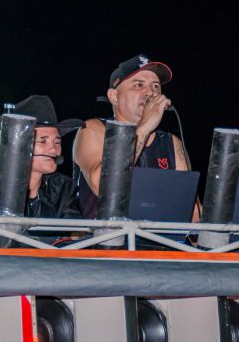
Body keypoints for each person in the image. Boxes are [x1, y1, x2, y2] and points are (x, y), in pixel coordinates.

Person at [73, 54, 197, 220]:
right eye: (139, 85)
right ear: (114, 96)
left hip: (157, 236)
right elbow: (104, 187)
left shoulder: (171, 143)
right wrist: (143, 129)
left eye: (156, 86)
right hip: (104, 235)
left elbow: (192, 212)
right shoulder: (93, 129)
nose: (151, 92)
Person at [0, 95, 83, 218]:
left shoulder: (63, 187)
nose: (53, 149)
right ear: (18, 144)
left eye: (57, 142)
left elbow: (73, 227)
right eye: (42, 141)